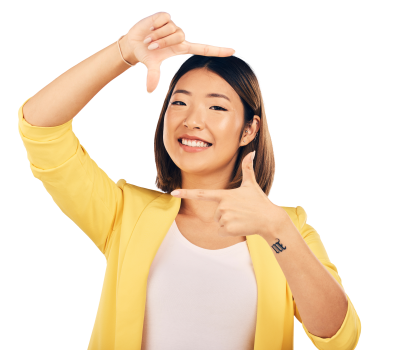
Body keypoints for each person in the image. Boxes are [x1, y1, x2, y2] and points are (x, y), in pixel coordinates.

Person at [18, 11, 361, 350]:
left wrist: (277, 230)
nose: (193, 120)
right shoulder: (126, 214)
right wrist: (123, 52)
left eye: (217, 108)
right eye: (179, 102)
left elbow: (339, 338)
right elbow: (39, 127)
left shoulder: (288, 229)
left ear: (249, 130)